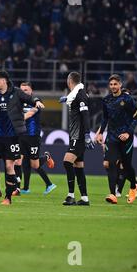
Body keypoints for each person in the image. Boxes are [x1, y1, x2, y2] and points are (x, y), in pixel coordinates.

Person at [0, 71, 45, 205]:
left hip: (13, 137)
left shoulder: (16, 92)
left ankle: (8, 197)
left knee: (9, 166)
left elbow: (29, 98)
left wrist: (37, 101)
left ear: (4, 81)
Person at [95, 74, 137, 204]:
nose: (113, 86)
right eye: (111, 84)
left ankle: (133, 186)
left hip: (126, 138)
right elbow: (105, 118)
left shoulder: (127, 99)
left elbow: (136, 116)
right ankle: (113, 194)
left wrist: (128, 132)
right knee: (111, 163)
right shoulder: (106, 100)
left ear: (120, 85)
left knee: (126, 166)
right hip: (112, 137)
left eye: (115, 84)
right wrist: (101, 132)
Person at [59, 72, 94, 206]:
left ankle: (71, 195)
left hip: (78, 136)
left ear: (69, 81)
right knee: (78, 166)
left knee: (67, 162)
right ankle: (84, 198)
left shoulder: (79, 95)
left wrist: (86, 134)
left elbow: (85, 115)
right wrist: (66, 98)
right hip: (75, 135)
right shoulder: (77, 94)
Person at [18, 82, 56, 195]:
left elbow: (29, 114)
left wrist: (16, 120)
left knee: (34, 165)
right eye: (21, 90)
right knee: (20, 161)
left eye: (26, 90)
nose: (23, 92)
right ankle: (24, 188)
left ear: (31, 91)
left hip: (33, 137)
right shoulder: (18, 102)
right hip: (21, 135)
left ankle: (46, 158)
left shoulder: (36, 102)